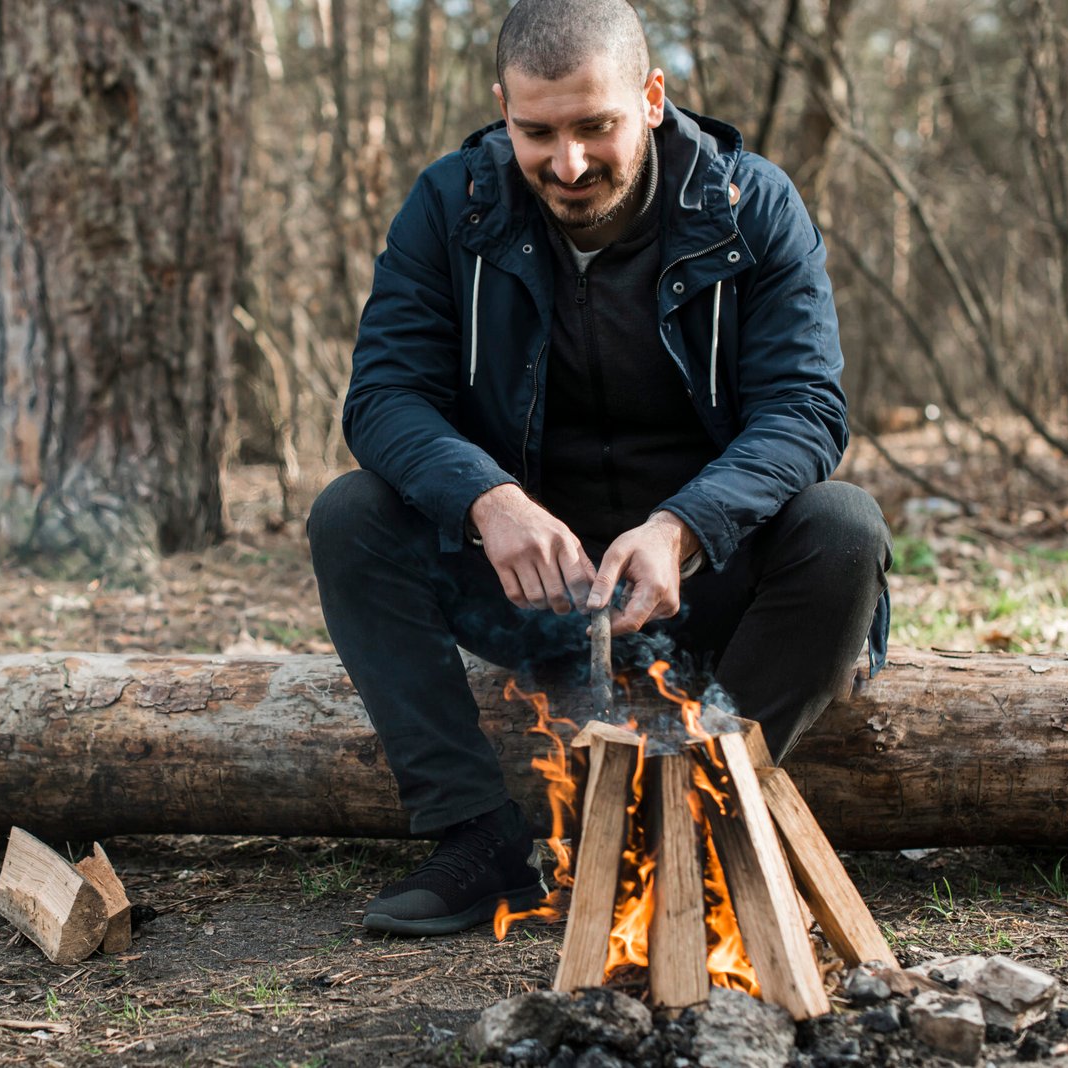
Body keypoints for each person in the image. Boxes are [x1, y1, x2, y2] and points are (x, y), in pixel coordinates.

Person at [307, 0, 892, 937]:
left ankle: (697, 821)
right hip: (532, 589)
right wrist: (487, 500)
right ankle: (478, 839)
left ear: (651, 99)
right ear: (503, 109)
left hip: (707, 582)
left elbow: (807, 411)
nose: (568, 164)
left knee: (844, 529)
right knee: (351, 517)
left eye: (595, 126)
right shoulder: (451, 207)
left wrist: (686, 528)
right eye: (537, 132)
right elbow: (383, 397)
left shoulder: (751, 205)